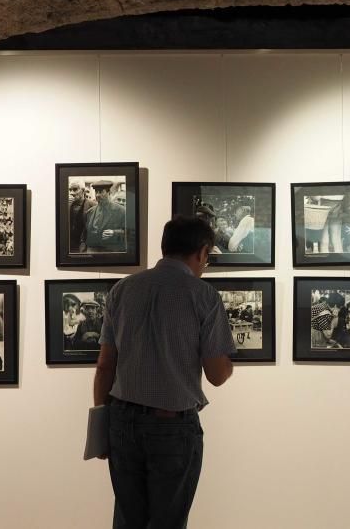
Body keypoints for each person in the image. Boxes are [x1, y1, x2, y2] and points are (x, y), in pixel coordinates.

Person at [94, 215, 235, 528]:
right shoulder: (203, 296)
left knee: (128, 520)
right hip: (173, 427)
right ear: (202, 251)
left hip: (122, 422)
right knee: (168, 521)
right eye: (207, 258)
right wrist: (228, 364)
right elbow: (216, 374)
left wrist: (101, 424)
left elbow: (105, 366)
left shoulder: (122, 290)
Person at [81, 180, 126, 253]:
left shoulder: (121, 211)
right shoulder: (89, 212)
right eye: (96, 192)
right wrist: (83, 249)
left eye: (101, 191)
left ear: (109, 193)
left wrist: (114, 233)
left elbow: (129, 232)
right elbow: (84, 233)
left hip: (111, 253)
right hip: (91, 252)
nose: (98, 195)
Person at [68, 182, 96, 252]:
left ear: (83, 191)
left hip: (85, 244)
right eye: (70, 190)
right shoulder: (67, 205)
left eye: (75, 189)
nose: (71, 193)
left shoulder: (93, 205)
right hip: (69, 243)